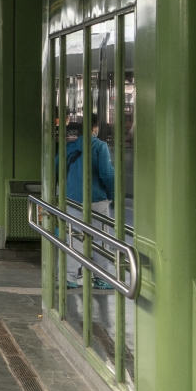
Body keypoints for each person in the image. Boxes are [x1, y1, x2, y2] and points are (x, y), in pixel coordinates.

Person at [63, 118, 115, 290]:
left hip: (73, 199)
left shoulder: (69, 146)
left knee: (75, 237)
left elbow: (57, 167)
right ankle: (101, 278)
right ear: (94, 127)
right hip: (97, 199)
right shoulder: (99, 146)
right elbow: (106, 173)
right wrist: (111, 194)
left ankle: (69, 277)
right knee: (100, 239)